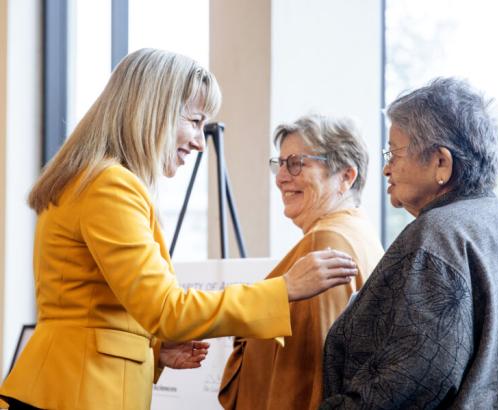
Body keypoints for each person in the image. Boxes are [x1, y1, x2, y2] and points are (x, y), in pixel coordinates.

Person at [0, 48, 358, 410]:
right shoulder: (110, 185)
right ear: (153, 112)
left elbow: (95, 310)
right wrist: (284, 289)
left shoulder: (93, 180)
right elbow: (166, 309)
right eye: (195, 121)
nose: (201, 142)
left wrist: (154, 350)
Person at [320, 77, 498, 409]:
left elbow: (406, 386)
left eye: (394, 153)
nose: (386, 168)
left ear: (441, 162)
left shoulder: (437, 237)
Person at [219, 114, 384, 409]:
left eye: (296, 163)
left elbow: (313, 372)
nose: (281, 177)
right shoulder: (359, 232)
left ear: (346, 176)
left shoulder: (326, 242)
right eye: (279, 164)